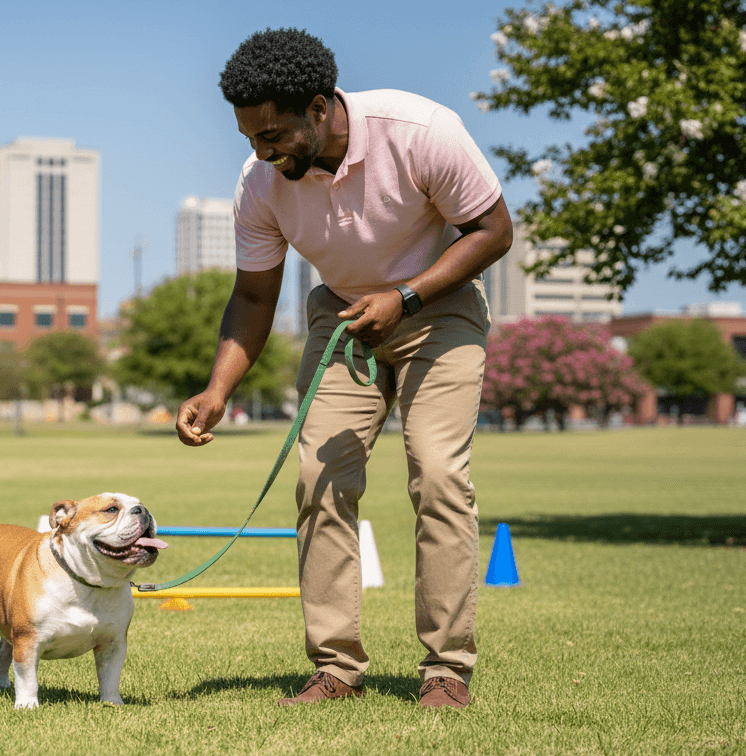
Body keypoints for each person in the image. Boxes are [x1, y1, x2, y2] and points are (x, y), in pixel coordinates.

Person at [175, 28, 513, 710]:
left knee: (439, 475)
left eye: (273, 135)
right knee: (319, 479)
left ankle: (446, 670)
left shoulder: (420, 132)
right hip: (342, 318)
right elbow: (253, 297)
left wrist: (406, 296)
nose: (261, 152)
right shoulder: (260, 184)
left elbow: (493, 232)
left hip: (439, 308)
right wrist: (218, 389)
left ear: (320, 107)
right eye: (249, 137)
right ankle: (336, 669)